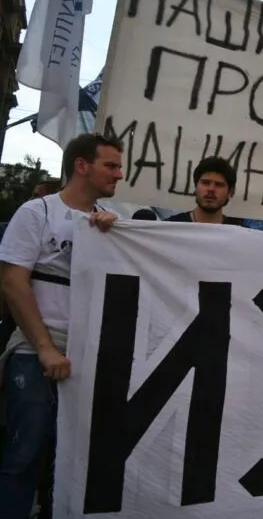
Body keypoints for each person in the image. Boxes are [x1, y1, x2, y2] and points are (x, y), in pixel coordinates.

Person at [0, 133, 122, 518]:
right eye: (111, 165)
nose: (119, 174)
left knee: (71, 462)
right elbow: (13, 282)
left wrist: (118, 239)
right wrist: (44, 348)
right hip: (35, 352)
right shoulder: (37, 212)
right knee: (24, 453)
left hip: (86, 355)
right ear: (82, 166)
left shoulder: (110, 223)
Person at [165, 156, 245, 226]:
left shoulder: (240, 233)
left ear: (230, 192)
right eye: (205, 183)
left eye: (219, 185)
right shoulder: (170, 227)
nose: (211, 189)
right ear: (196, 187)